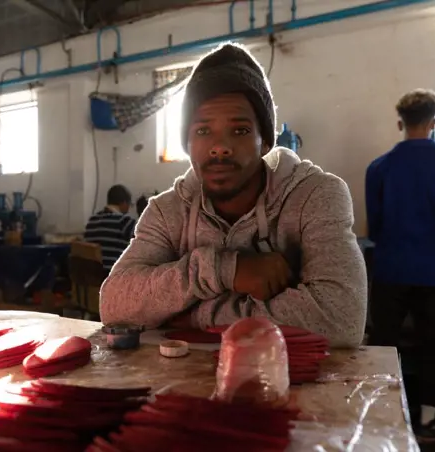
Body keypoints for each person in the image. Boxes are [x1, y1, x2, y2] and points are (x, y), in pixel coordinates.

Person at [99, 43, 367, 347]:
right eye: (203, 131)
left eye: (239, 131)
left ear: (265, 141)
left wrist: (195, 317)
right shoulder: (167, 210)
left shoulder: (315, 195)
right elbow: (114, 304)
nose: (220, 147)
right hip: (189, 384)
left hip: (289, 387)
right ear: (187, 144)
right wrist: (224, 269)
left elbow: (339, 318)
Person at [365, 89, 435, 443]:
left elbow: (376, 225)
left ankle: (380, 416)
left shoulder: (379, 168)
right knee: (434, 346)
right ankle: (428, 422)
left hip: (391, 269)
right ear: (434, 122)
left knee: (384, 343)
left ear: (400, 123)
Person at [84, 184, 136, 273]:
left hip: (92, 279)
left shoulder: (92, 220)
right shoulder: (124, 222)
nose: (128, 209)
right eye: (129, 205)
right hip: (115, 277)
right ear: (123, 203)